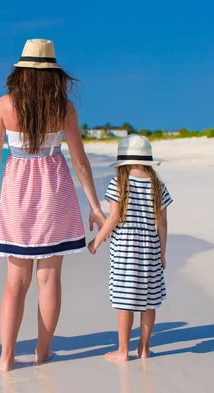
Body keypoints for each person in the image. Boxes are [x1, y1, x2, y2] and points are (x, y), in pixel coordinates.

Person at [0, 39, 106, 372]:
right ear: (53, 72)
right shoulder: (65, 107)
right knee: (49, 279)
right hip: (54, 191)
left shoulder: (4, 104)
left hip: (17, 194)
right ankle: (42, 353)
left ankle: (6, 358)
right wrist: (95, 206)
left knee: (15, 281)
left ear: (20, 70)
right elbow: (80, 160)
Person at [88, 134, 172, 361]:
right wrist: (162, 253)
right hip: (151, 248)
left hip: (125, 251)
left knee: (126, 302)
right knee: (149, 301)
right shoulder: (157, 185)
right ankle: (144, 348)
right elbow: (162, 223)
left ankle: (123, 350)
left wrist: (96, 241)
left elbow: (114, 217)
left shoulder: (119, 183)